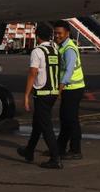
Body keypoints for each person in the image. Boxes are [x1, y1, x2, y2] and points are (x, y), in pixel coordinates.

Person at [17, 23, 61, 169]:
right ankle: (29, 151)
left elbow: (32, 73)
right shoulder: (55, 49)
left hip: (42, 93)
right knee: (38, 124)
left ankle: (55, 159)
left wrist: (26, 95)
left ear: (37, 37)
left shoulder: (37, 51)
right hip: (53, 92)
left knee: (46, 127)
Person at [52, 20, 85, 160]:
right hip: (70, 88)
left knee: (71, 121)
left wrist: (60, 88)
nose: (57, 36)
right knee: (65, 119)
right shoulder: (62, 47)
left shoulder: (69, 49)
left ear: (67, 33)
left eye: (59, 33)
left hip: (73, 89)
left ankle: (75, 150)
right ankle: (59, 149)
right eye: (55, 33)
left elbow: (69, 70)